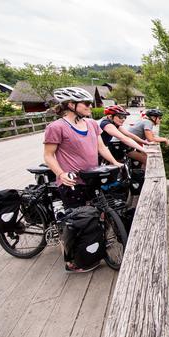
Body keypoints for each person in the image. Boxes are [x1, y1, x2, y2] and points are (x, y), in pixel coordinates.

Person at [43, 87, 122, 273]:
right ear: (71, 105)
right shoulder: (56, 127)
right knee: (75, 222)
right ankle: (71, 261)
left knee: (97, 214)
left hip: (92, 178)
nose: (90, 106)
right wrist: (61, 174)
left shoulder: (92, 124)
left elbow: (101, 147)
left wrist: (114, 162)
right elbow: (48, 156)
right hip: (72, 182)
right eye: (86, 103)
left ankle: (94, 246)